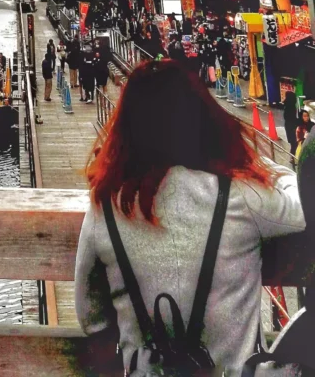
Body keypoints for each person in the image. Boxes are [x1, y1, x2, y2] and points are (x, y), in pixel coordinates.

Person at [75, 60, 305, 376]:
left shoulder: (106, 207)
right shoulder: (238, 196)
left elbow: (91, 319)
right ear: (202, 119)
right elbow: (304, 201)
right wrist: (263, 168)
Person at [283, 91, 299, 159]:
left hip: (288, 125)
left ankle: (292, 157)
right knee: (294, 143)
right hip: (292, 126)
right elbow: (292, 118)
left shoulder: (287, 105)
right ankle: (292, 157)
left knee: (293, 143)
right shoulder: (291, 107)